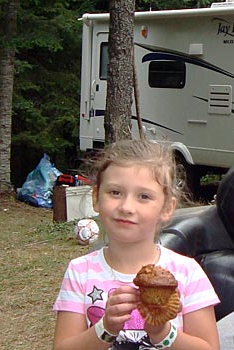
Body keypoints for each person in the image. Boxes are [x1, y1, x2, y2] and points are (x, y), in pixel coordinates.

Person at [53, 140, 221, 350]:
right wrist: (105, 328)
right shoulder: (80, 272)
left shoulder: (187, 273)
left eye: (144, 196)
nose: (127, 207)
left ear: (167, 208)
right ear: (96, 197)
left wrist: (163, 333)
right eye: (115, 192)